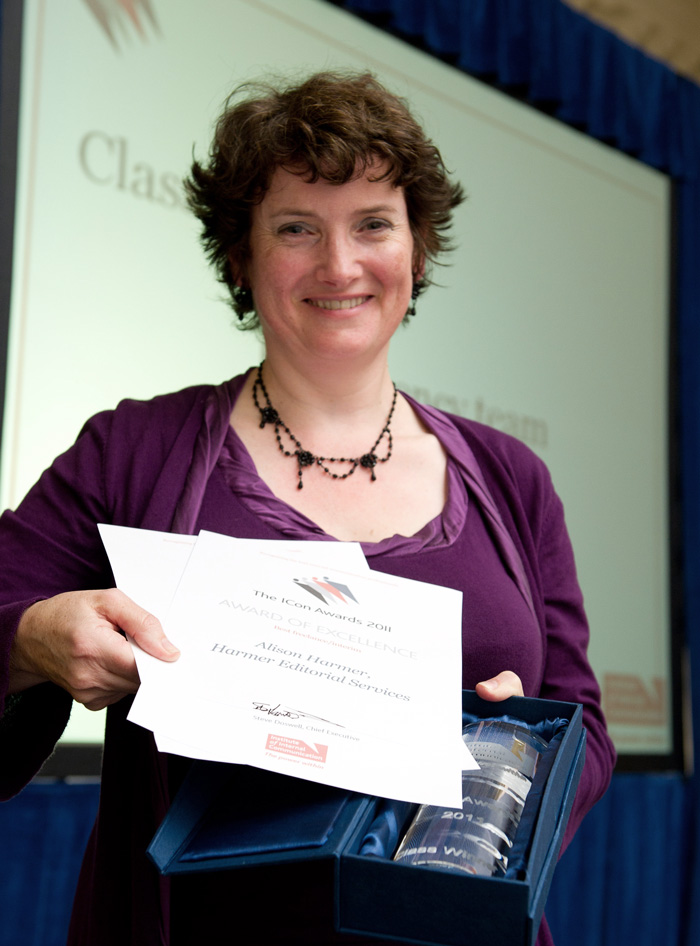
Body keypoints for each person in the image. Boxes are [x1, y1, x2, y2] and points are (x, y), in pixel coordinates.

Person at [0, 71, 615, 945]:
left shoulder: (513, 477)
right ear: (243, 258)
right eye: (297, 228)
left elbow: (581, 723)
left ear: (417, 249)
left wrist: (520, 746)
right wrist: (31, 640)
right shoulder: (129, 451)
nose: (339, 265)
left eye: (373, 224)